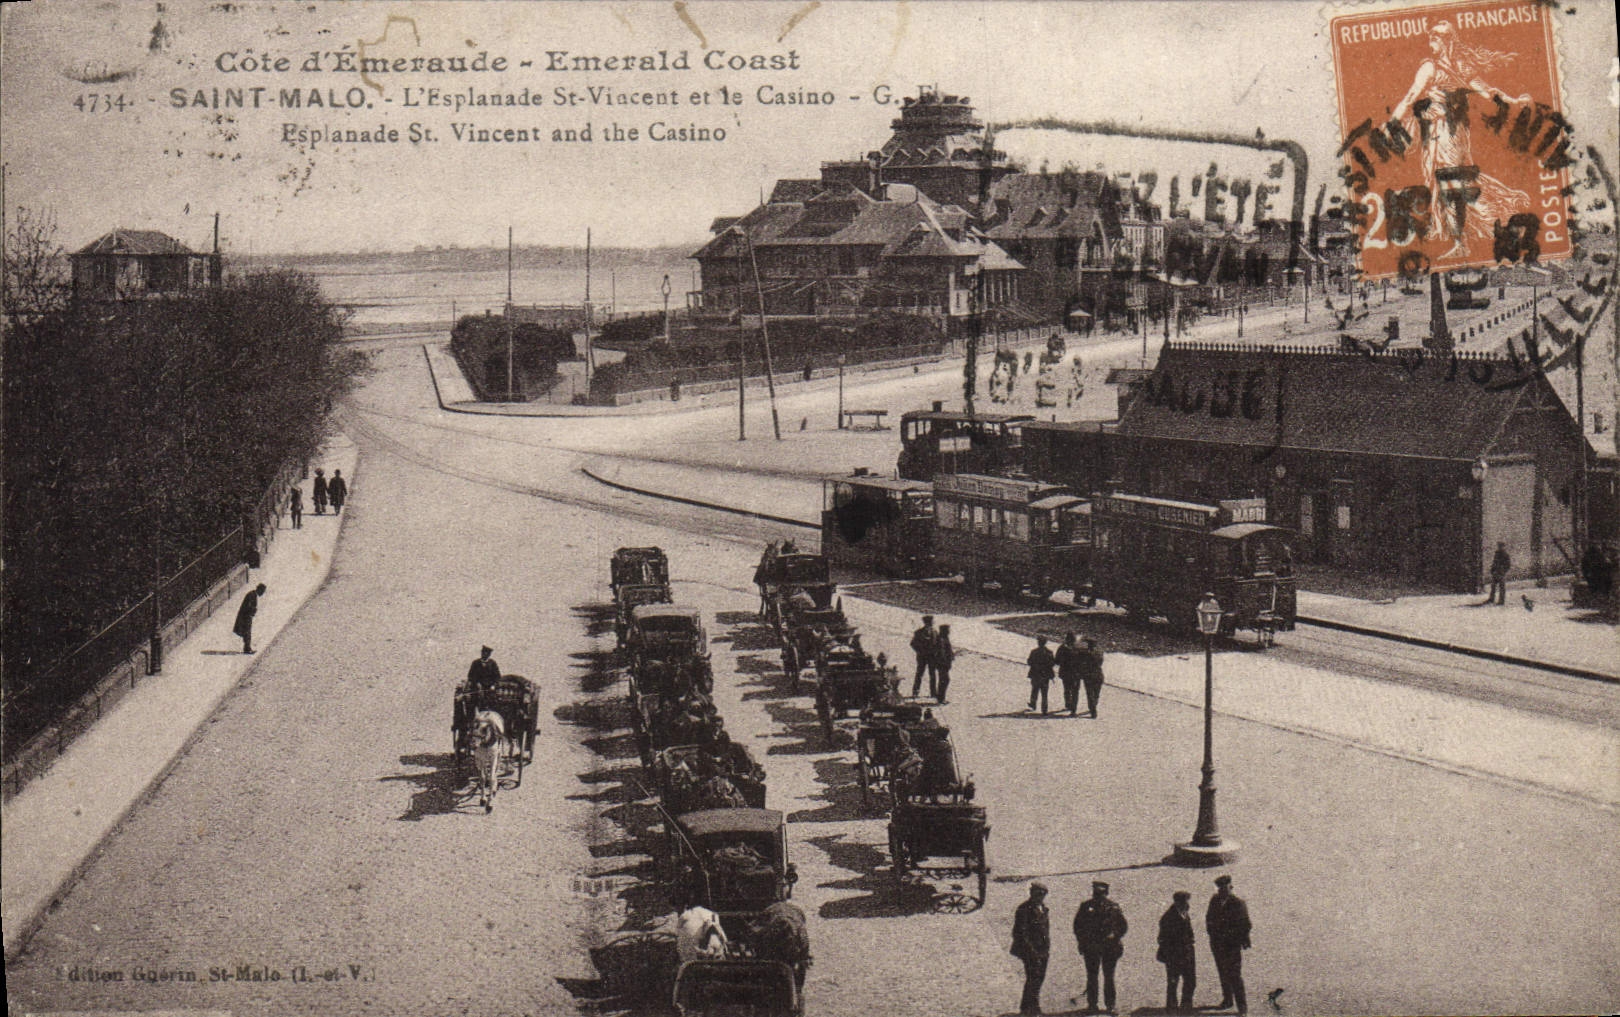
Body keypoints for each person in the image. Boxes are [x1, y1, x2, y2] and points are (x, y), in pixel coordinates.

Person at [1388, 21, 1533, 261]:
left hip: (1443, 134)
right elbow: (1489, 92)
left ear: (1446, 41)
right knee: (1461, 184)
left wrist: (1392, 123)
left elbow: (1412, 96)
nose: (1430, 42)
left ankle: (1464, 240)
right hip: (1457, 135)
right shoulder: (1460, 67)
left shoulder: (1431, 67)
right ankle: (1497, 221)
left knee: (1450, 185)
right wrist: (1512, 100)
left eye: (1434, 38)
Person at [1073, 880, 1128, 1014]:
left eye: (1101, 893)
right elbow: (1077, 926)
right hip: (1092, 947)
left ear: (1106, 893)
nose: (1098, 896)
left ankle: (1110, 1005)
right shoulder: (1086, 906)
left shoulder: (1114, 907)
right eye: (1096, 893)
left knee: (1109, 976)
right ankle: (1092, 1005)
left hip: (1110, 948)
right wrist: (1082, 941)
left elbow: (1123, 926)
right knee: (1092, 976)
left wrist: (1115, 935)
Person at [1206, 875, 1252, 1015]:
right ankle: (1227, 1000)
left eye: (1225, 888)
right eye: (1220, 888)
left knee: (1235, 976)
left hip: (1232, 947)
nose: (1222, 891)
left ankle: (1242, 1007)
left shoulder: (1238, 903)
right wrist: (1213, 936)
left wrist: (1235, 939)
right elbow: (1208, 919)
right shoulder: (1214, 900)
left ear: (1230, 887)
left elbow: (1246, 925)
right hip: (1217, 945)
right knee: (1222, 973)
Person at [1011, 882, 1051, 1015]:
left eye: (1042, 894)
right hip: (1030, 951)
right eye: (1037, 894)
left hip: (1042, 951)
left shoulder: (1043, 908)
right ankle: (1027, 1009)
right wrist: (1032, 952)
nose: (1039, 897)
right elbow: (1020, 933)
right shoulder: (1024, 909)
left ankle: (1033, 1007)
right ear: (1031, 893)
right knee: (1033, 978)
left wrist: (1045, 949)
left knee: (1039, 978)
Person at [1157, 891, 1197, 1013]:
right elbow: (1162, 938)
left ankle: (1186, 1005)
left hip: (1188, 953)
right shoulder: (1168, 917)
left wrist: (1190, 941)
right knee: (1173, 982)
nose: (1187, 904)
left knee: (1190, 981)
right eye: (1185, 902)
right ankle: (1172, 1007)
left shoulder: (1184, 914)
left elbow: (1189, 932)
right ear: (1178, 902)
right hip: (1174, 955)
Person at [1055, 633, 1084, 716]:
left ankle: (1068, 704)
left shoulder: (1062, 648)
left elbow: (1057, 661)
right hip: (1076, 673)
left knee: (1067, 689)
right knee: (1075, 691)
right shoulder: (1079, 649)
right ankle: (1073, 710)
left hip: (1066, 673)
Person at [233, 583, 265, 654]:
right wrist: (253, 610)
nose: (262, 594)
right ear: (259, 589)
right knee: (247, 632)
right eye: (262, 592)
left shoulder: (252, 594)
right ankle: (247, 649)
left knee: (247, 632)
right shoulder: (252, 595)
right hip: (245, 617)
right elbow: (248, 606)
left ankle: (247, 647)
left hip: (247, 616)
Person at [1026, 636, 1055, 714]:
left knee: (1034, 690)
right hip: (1045, 675)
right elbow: (1052, 663)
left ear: (1038, 643)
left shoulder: (1034, 652)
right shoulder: (1049, 652)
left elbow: (1029, 662)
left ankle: (1033, 704)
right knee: (1044, 693)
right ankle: (1044, 709)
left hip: (1036, 674)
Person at [910, 615, 937, 699]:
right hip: (922, 657)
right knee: (919, 674)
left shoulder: (935, 632)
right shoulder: (918, 632)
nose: (932, 624)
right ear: (926, 623)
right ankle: (915, 692)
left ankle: (933, 693)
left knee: (932, 675)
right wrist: (920, 651)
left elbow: (937, 643)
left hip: (932, 657)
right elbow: (913, 644)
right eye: (931, 623)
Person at [1079, 637, 1106, 719]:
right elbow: (1101, 662)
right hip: (1099, 674)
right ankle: (1094, 706)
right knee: (1096, 693)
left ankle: (1093, 710)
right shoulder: (1100, 652)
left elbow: (1082, 663)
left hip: (1089, 675)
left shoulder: (1086, 653)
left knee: (1090, 694)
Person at [933, 624, 955, 704]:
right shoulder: (942, 639)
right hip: (942, 663)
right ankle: (941, 698)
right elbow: (942, 652)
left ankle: (941, 698)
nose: (949, 631)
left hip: (943, 663)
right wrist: (946, 661)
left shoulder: (943, 638)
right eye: (948, 630)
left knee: (943, 680)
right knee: (944, 680)